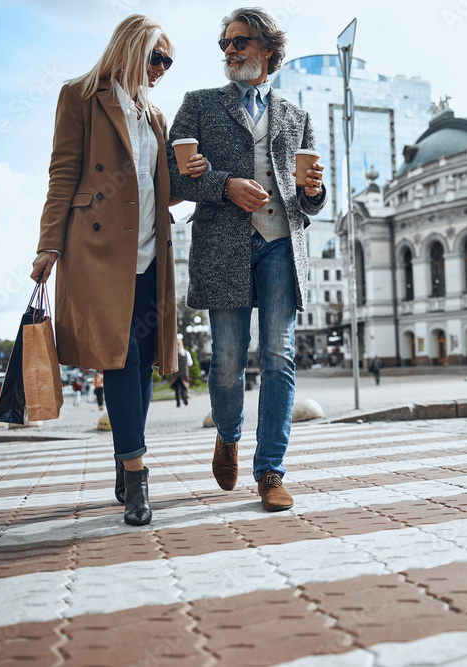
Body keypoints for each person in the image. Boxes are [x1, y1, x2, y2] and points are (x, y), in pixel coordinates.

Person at [30, 14, 208, 526]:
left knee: (143, 359)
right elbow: (63, 172)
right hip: (98, 252)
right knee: (118, 355)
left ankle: (125, 455)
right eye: (157, 58)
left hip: (152, 250)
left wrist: (189, 177)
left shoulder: (154, 115)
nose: (163, 70)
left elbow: (159, 187)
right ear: (131, 49)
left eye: (170, 62)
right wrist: (48, 246)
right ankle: (137, 475)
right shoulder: (80, 96)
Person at [167, 8, 326, 512]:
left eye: (240, 42)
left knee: (279, 357)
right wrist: (224, 186)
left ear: (268, 51)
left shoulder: (297, 117)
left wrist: (314, 191)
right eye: (227, 44)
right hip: (224, 247)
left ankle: (271, 471)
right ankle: (229, 435)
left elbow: (311, 200)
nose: (230, 51)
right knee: (229, 360)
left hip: (281, 243)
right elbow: (172, 182)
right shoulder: (198, 105)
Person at [171, 335, 192, 407]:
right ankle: (184, 397)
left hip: (176, 373)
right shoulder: (186, 353)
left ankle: (178, 402)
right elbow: (190, 363)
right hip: (184, 373)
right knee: (184, 387)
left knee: (177, 389)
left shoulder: (173, 353)